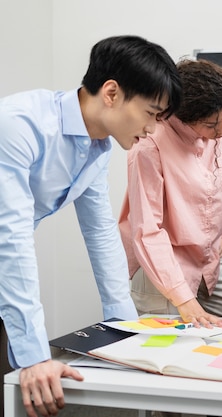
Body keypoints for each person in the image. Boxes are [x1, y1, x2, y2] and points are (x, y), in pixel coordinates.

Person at [0, 35, 181, 417]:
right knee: (23, 378)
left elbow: (102, 236)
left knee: (14, 390)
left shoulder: (96, 147)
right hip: (6, 257)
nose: (152, 130)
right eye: (151, 114)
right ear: (112, 92)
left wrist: (126, 331)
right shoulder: (19, 125)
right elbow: (11, 240)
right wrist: (34, 357)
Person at [119, 59, 222, 330]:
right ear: (183, 117)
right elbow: (148, 231)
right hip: (162, 270)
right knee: (172, 352)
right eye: (211, 125)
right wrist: (182, 298)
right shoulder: (150, 145)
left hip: (208, 262)